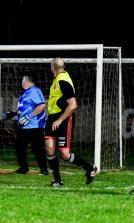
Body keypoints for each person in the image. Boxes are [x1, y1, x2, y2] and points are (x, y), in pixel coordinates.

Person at [45, 57, 97, 187]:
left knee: (64, 154)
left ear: (52, 67)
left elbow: (73, 105)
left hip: (63, 118)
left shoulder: (64, 81)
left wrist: (60, 119)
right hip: (52, 117)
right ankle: (57, 180)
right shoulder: (57, 80)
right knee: (50, 148)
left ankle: (89, 168)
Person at [3, 75, 48, 175]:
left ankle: (44, 169)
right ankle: (23, 168)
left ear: (27, 81)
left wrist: (29, 117)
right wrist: (13, 114)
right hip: (24, 126)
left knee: (38, 148)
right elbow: (25, 110)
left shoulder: (34, 90)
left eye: (23, 80)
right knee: (20, 147)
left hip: (35, 126)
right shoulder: (25, 94)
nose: (21, 83)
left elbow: (42, 105)